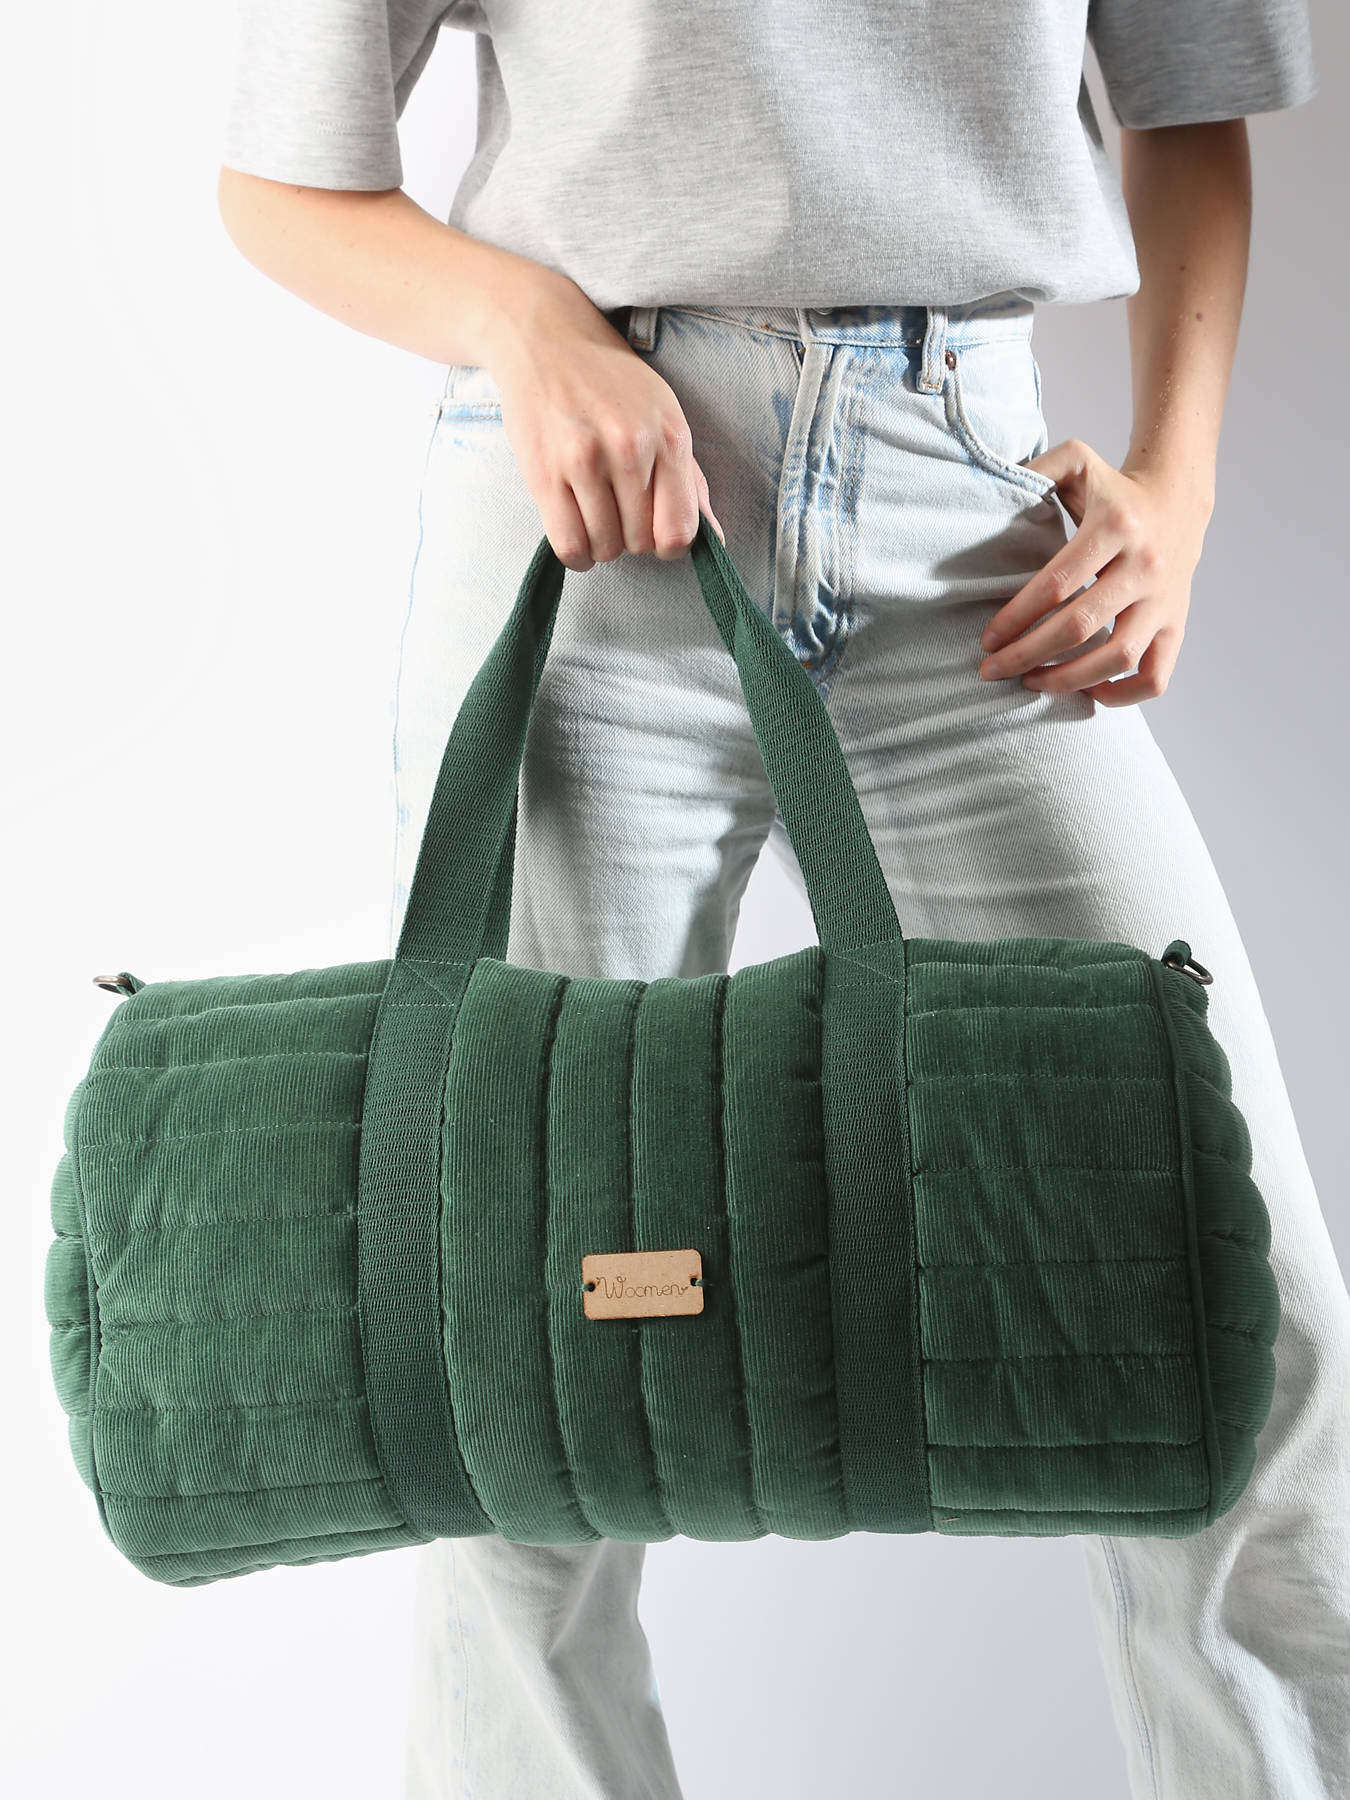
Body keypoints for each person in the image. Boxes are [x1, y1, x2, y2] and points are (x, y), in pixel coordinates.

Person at [216, 4, 1347, 1796]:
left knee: (1239, 1315)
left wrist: (1179, 490)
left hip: (979, 530)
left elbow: (1192, 105)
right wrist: (521, 323)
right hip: (590, 516)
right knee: (513, 1326)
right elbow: (283, 182)